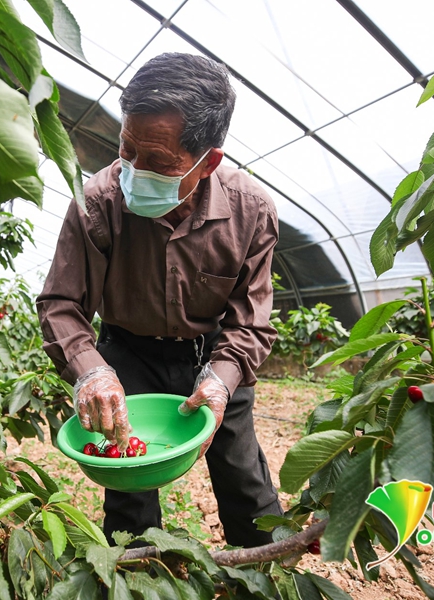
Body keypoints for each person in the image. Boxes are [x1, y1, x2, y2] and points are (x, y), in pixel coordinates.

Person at [36, 52, 282, 548]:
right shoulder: (99, 202)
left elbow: (250, 321)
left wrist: (220, 382)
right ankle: (138, 577)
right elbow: (61, 303)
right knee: (129, 494)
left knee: (244, 481)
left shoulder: (251, 211)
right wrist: (92, 369)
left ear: (208, 161)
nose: (133, 171)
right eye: (127, 149)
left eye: (159, 162)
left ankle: (266, 572)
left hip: (212, 357)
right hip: (127, 354)